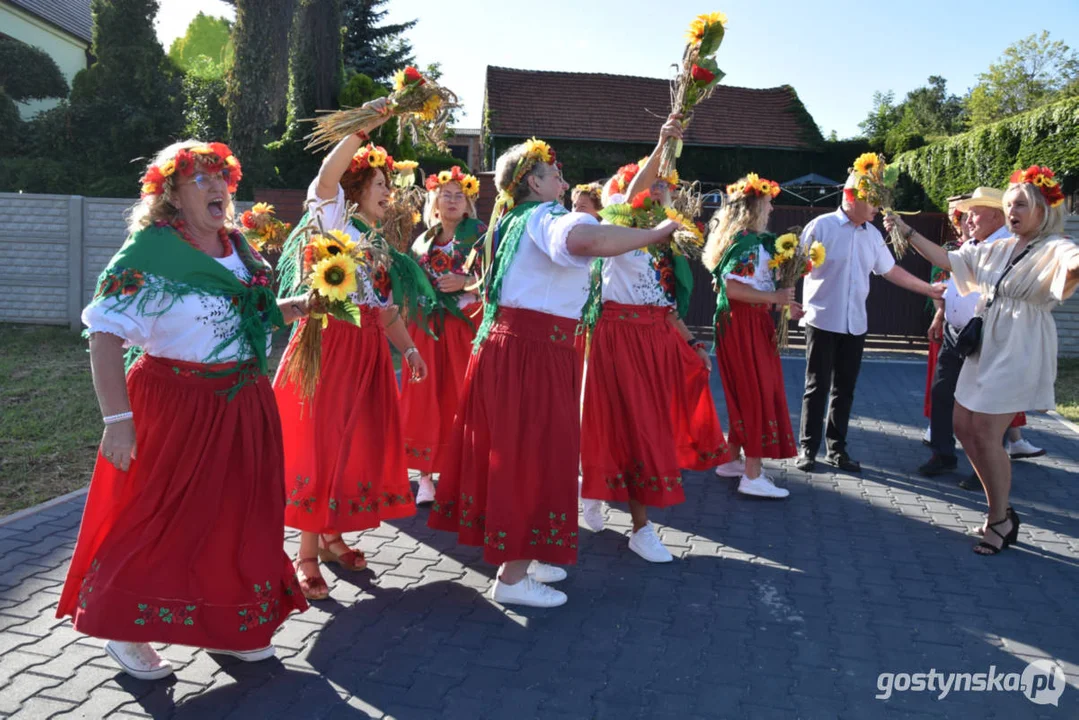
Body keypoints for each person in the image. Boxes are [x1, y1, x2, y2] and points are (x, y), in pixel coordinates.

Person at [56, 141, 310, 680]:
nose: (216, 187)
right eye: (200, 179)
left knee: (240, 518)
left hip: (242, 404)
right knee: (164, 519)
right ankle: (125, 628)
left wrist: (305, 303)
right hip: (176, 405)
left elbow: (253, 319)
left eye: (222, 177)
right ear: (170, 192)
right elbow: (104, 336)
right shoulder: (150, 252)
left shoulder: (238, 247)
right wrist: (117, 422)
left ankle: (233, 624)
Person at [428, 138, 679, 607]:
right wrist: (657, 233)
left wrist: (663, 146)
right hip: (535, 350)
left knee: (522, 451)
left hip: (515, 345)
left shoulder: (513, 219)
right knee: (535, 454)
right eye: (556, 175)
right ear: (533, 182)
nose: (564, 184)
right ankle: (512, 577)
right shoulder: (544, 217)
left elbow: (617, 211)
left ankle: (522, 551)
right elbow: (588, 238)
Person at [274, 104, 432, 599]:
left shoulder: (380, 243)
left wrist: (407, 350)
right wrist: (367, 127)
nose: (390, 192)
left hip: (366, 354)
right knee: (319, 448)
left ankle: (330, 537)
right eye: (382, 183)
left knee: (348, 449)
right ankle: (303, 555)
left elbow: (384, 309)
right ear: (357, 189)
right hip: (330, 345)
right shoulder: (333, 217)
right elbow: (327, 173)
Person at [887, 165, 1079, 554]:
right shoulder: (1000, 247)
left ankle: (999, 521)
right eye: (1010, 204)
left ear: (1043, 207)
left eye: (1021, 204)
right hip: (987, 342)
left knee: (988, 433)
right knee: (962, 424)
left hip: (1019, 346)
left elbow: (1072, 264)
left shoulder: (1055, 246)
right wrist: (904, 230)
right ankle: (1002, 511)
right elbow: (948, 258)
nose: (1013, 211)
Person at [579, 117, 729, 562]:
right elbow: (626, 197)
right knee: (621, 423)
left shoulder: (661, 245)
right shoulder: (617, 230)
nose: (661, 193)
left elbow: (664, 304)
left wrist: (691, 344)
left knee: (649, 426)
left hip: (655, 339)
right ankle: (637, 524)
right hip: (615, 337)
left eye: (665, 189)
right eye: (654, 187)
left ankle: (616, 506)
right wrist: (662, 144)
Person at [795, 157, 945, 473]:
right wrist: (783, 301)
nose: (877, 208)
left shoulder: (872, 235)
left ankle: (836, 449)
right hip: (821, 319)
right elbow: (792, 265)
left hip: (855, 324)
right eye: (872, 201)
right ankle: (807, 448)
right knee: (816, 386)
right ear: (852, 199)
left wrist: (929, 290)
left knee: (844, 390)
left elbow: (891, 271)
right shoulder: (821, 226)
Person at [917, 188, 1042, 484]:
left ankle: (982, 468)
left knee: (983, 404)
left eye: (975, 212)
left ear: (996, 216)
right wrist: (940, 314)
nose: (967, 219)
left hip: (986, 336)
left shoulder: (1007, 247)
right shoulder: (972, 244)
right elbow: (950, 278)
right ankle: (943, 454)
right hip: (955, 331)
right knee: (942, 393)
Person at [703, 173, 804, 497]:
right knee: (757, 392)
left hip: (742, 323)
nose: (772, 209)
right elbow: (733, 288)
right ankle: (752, 475)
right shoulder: (748, 243)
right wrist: (774, 299)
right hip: (745, 326)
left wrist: (782, 305)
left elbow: (745, 287)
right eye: (768, 203)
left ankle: (732, 461)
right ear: (754, 207)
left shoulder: (742, 241)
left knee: (743, 391)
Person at [399, 167, 485, 505]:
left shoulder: (479, 234)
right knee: (424, 396)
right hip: (426, 327)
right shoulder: (422, 240)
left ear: (467, 203)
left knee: (462, 396)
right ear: (434, 203)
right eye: (445, 195)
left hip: (464, 325)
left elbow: (495, 274)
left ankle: (460, 471)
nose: (451, 200)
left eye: (458, 195)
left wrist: (466, 282)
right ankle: (425, 477)